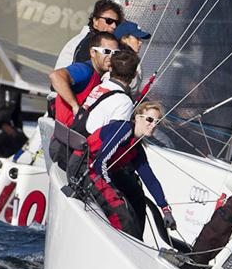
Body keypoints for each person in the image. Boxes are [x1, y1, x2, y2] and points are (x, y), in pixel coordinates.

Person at [70, 53, 175, 238]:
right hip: (84, 168)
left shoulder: (136, 147)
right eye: (149, 119)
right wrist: (114, 191)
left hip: (98, 171)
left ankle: (137, 243)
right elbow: (100, 161)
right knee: (123, 216)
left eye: (157, 122)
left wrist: (165, 209)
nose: (153, 124)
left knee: (135, 202)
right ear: (137, 117)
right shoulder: (123, 129)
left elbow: (148, 177)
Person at [49, 32, 119, 128]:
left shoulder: (102, 76)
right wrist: (75, 106)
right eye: (106, 51)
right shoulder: (85, 70)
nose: (111, 57)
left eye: (115, 52)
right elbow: (55, 76)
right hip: (66, 134)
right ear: (93, 52)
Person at [55, 0, 124, 69]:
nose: (114, 26)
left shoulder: (93, 40)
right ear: (95, 21)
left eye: (116, 23)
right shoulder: (88, 42)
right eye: (109, 21)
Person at [113, 20, 151, 97]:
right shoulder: (117, 62)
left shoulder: (133, 60)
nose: (140, 42)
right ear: (124, 39)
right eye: (137, 38)